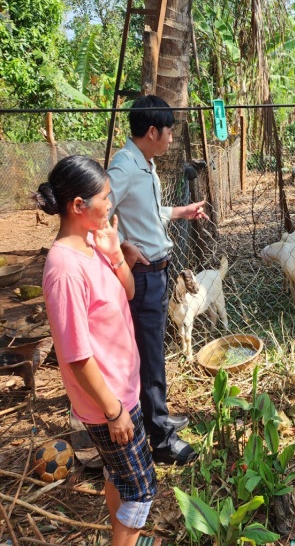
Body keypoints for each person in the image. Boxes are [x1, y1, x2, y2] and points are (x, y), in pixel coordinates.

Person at [37, 155, 156, 546]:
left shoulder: (91, 242)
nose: (110, 203)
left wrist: (116, 254)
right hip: (109, 402)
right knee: (140, 491)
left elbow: (129, 291)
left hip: (122, 389)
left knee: (116, 476)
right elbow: (77, 356)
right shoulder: (64, 269)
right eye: (105, 196)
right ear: (78, 206)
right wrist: (114, 410)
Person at [108, 95, 207, 466]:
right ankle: (162, 441)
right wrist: (121, 247)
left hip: (158, 273)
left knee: (153, 354)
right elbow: (96, 212)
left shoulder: (143, 164)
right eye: (168, 132)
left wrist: (183, 212)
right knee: (149, 359)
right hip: (143, 277)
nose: (170, 138)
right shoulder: (124, 167)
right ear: (152, 131)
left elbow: (149, 213)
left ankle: (158, 417)